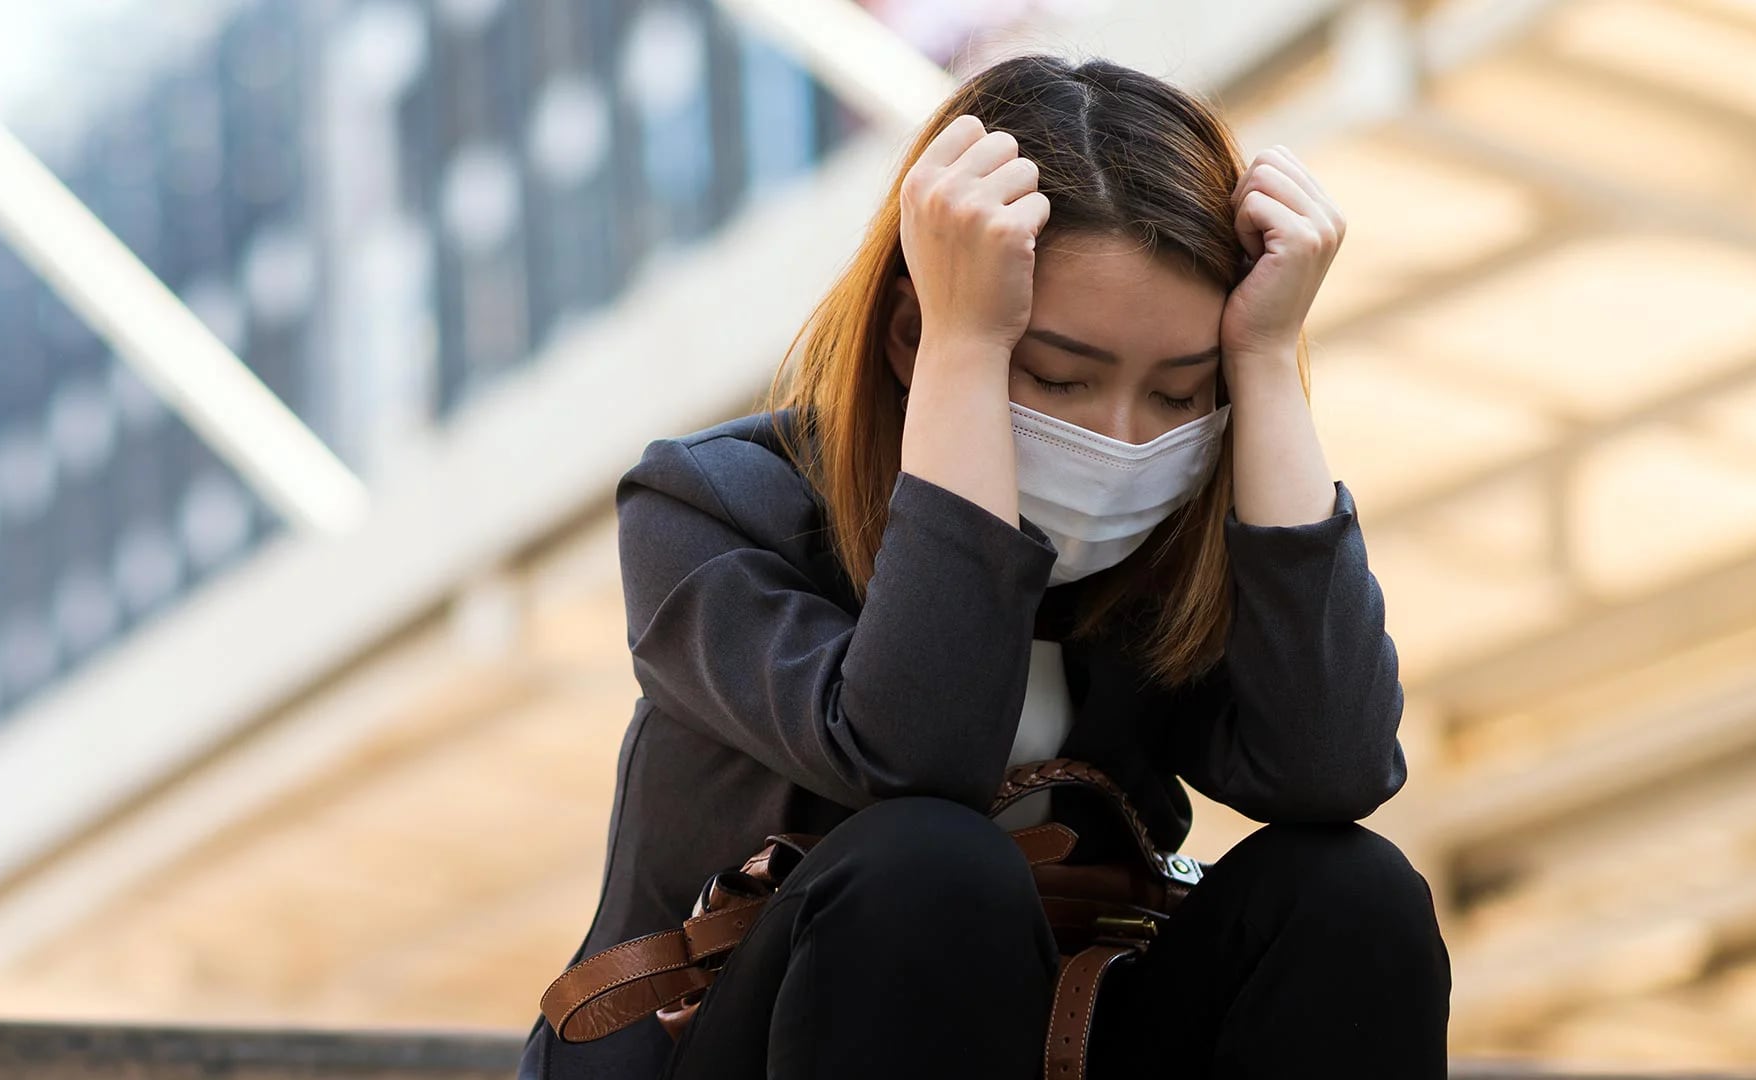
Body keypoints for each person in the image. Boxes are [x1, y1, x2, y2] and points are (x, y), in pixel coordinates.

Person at [516, 53, 1450, 1080]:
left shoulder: (1163, 544)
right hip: (736, 1042)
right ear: (912, 331)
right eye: (1058, 376)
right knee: (929, 862)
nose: (1121, 439)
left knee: (1352, 890)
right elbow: (919, 756)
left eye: (1180, 394)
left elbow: (1331, 767)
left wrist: (1267, 363)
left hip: (1067, 1030)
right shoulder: (715, 506)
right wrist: (964, 351)